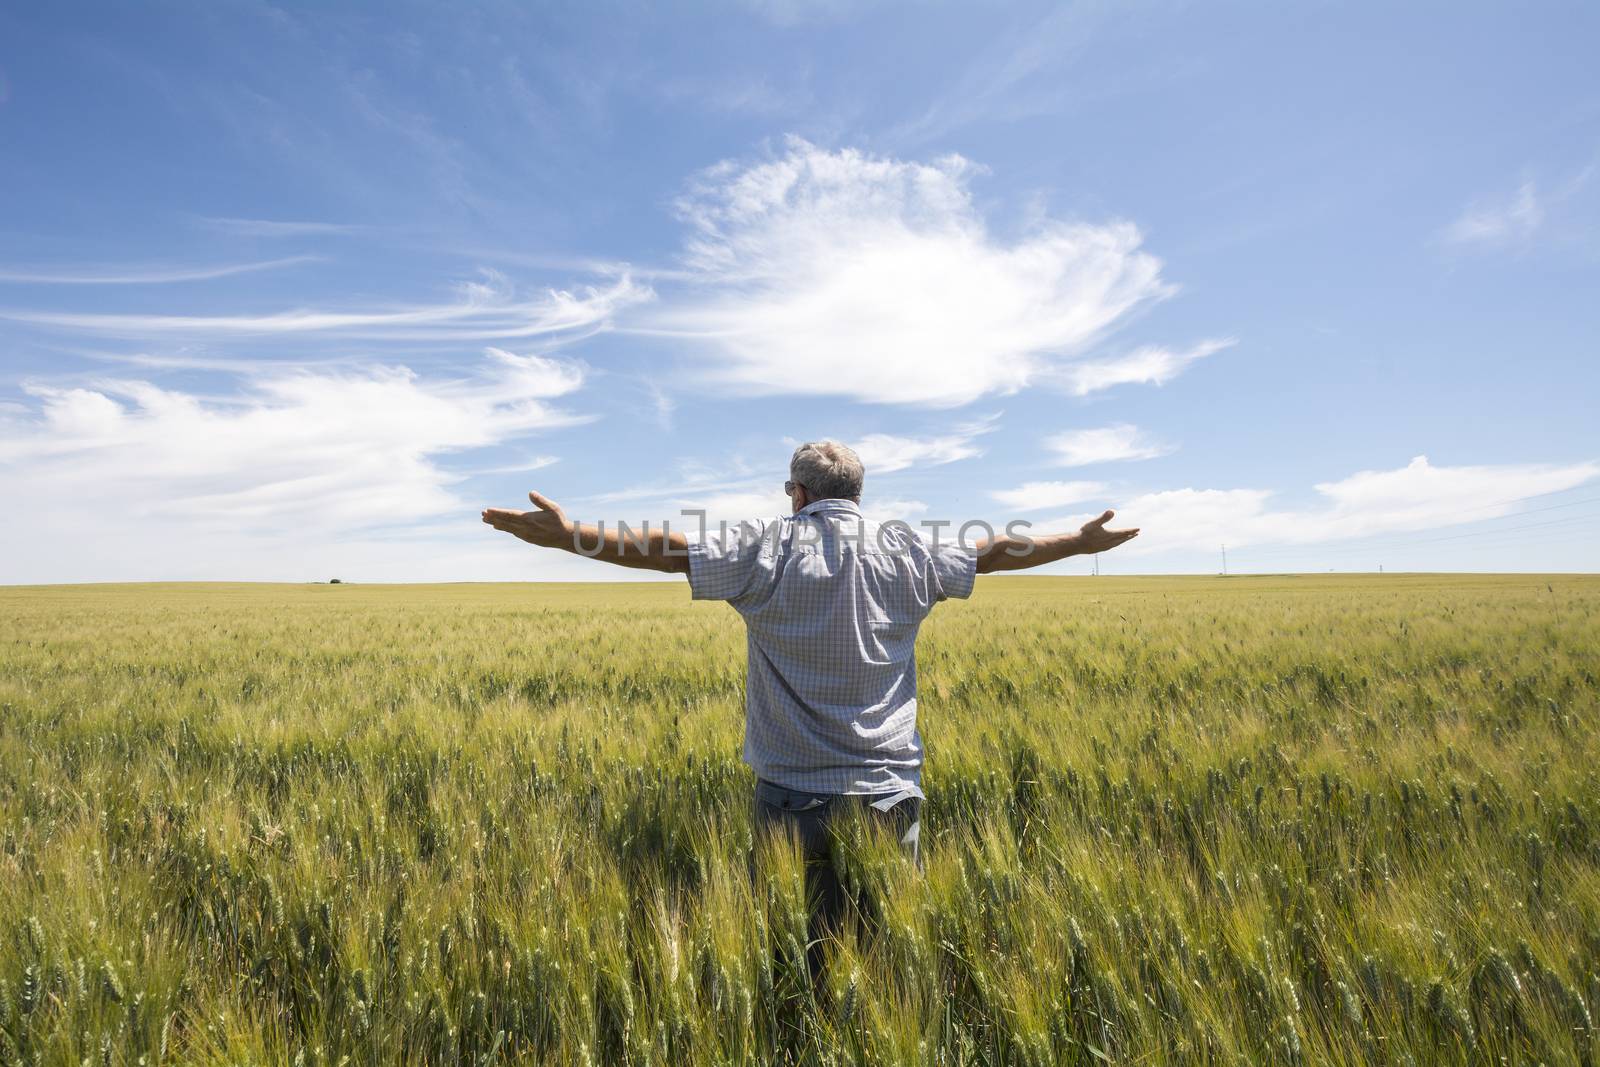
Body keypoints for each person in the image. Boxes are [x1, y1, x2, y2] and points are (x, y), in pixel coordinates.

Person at [480, 440, 1140, 977]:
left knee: (794, 958)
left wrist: (573, 537)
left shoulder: (767, 548)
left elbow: (669, 549)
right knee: (886, 967)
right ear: (858, 495)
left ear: (797, 494)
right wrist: (1078, 543)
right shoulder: (909, 550)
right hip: (889, 794)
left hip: (790, 797)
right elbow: (993, 552)